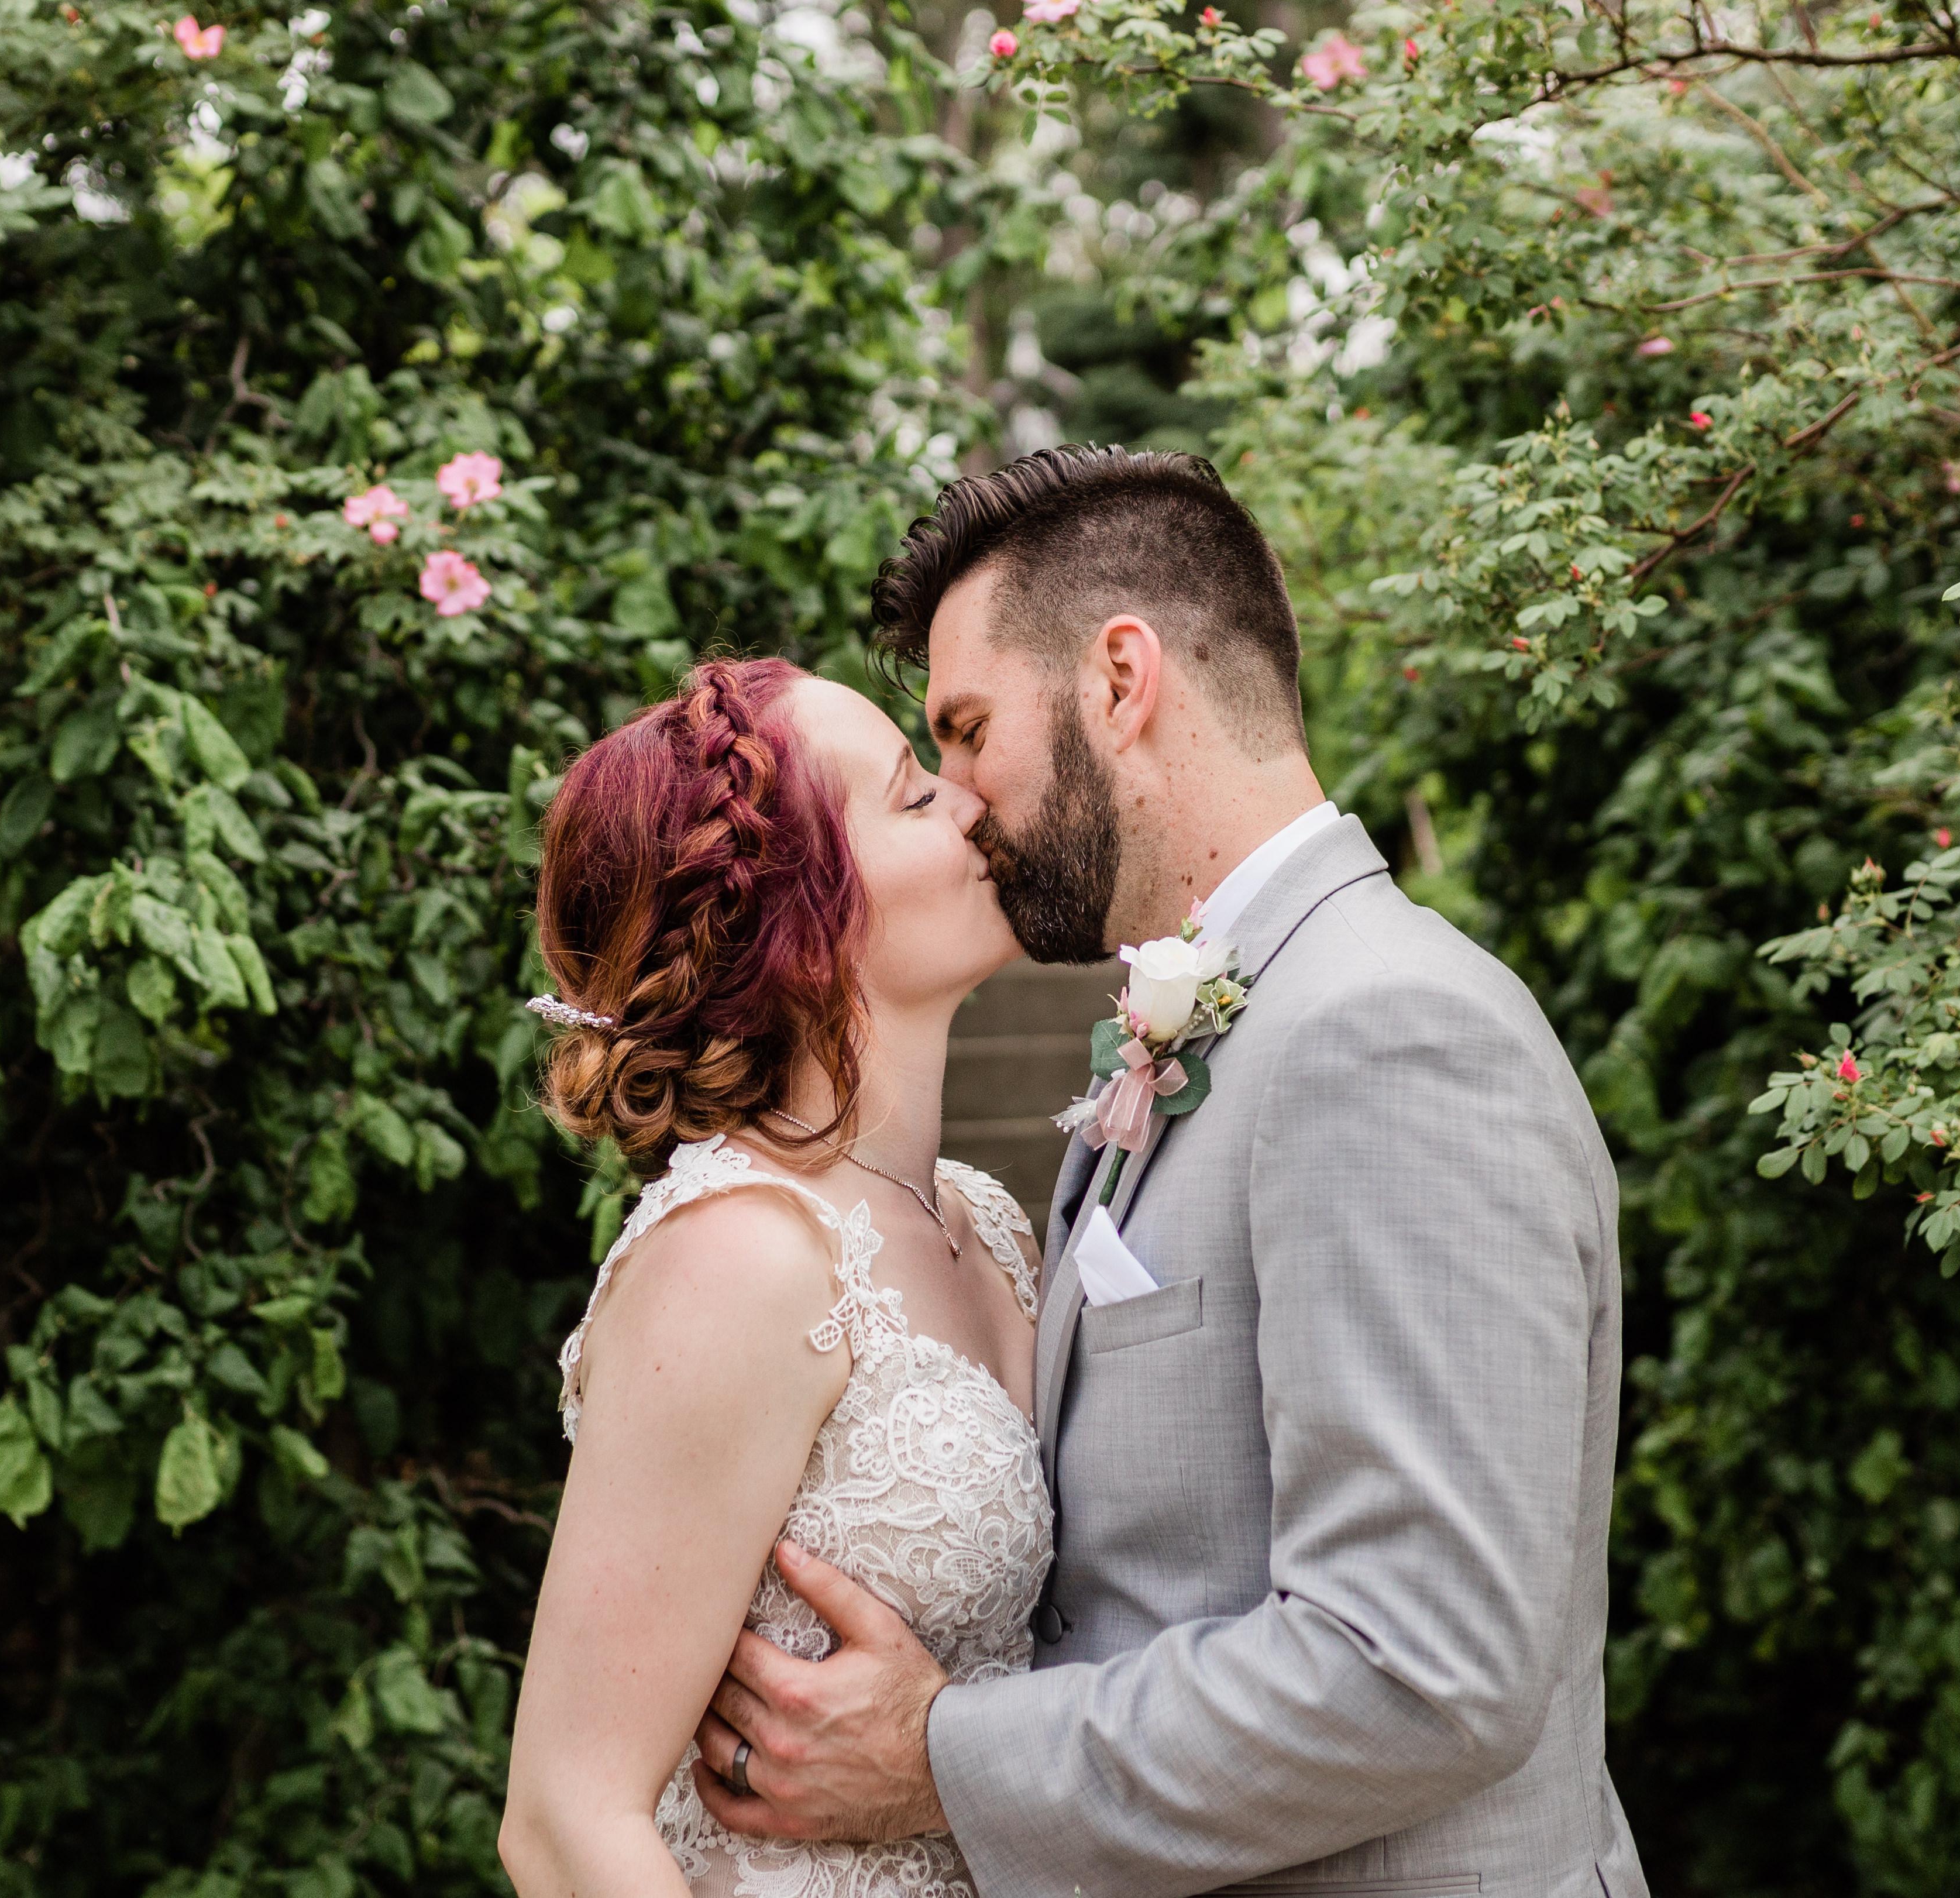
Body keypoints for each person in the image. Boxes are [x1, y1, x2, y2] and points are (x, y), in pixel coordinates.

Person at [685, 446, 1647, 1898]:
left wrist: (941, 1754)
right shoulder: (1240, 1023)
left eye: (967, 729)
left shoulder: (1386, 1031)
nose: (959, 801)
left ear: (1120, 679)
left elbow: (1418, 1666)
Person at [497, 656, 1051, 1898]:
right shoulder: (738, 1256)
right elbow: (565, 1821)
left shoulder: (986, 1224)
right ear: (800, 931)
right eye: (915, 794)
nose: (972, 801)